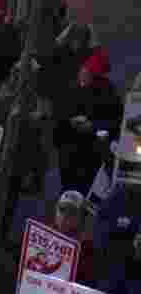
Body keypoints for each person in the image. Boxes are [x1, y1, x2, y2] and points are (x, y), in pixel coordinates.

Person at [55, 49, 124, 194]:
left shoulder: (108, 92)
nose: (86, 75)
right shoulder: (69, 90)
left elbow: (116, 123)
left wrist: (93, 127)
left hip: (92, 159)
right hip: (69, 158)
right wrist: (69, 123)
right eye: (85, 71)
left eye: (91, 74)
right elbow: (58, 124)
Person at [49, 190, 96, 286]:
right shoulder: (41, 232)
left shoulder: (86, 246)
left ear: (81, 217)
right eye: (62, 209)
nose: (65, 215)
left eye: (72, 212)